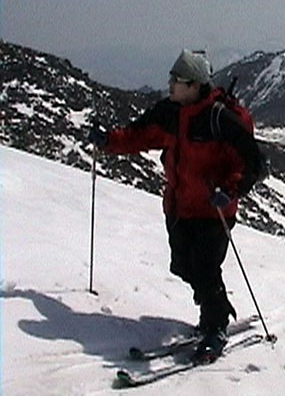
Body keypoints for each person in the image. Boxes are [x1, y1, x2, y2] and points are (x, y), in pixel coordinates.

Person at [89, 49, 265, 360]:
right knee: (182, 265)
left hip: (214, 210)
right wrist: (109, 141)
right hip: (178, 208)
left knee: (205, 267)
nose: (170, 84)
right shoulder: (170, 113)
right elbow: (138, 135)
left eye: (177, 80)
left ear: (195, 85)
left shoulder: (219, 119)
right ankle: (216, 306)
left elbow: (252, 161)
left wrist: (230, 189)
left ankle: (215, 326)